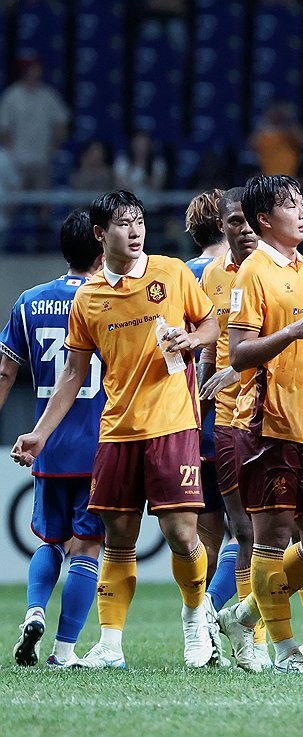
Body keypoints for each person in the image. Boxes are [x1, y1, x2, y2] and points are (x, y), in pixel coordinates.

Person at [11, 190, 220, 669]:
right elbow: (72, 374)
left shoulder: (171, 272)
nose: (135, 230)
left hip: (172, 423)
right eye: (124, 224)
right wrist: (41, 433)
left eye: (139, 221)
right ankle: (109, 644)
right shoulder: (89, 298)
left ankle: (195, 621)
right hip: (117, 430)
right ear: (101, 235)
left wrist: (191, 339)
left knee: (181, 531)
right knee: (117, 536)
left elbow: (210, 322)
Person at [213, 174, 303, 674]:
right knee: (270, 538)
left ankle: (244, 615)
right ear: (265, 219)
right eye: (292, 206)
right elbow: (239, 354)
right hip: (265, 424)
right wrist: (291, 330)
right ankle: (288, 650)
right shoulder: (252, 273)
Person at [1, 211, 104, 667]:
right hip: (101, 442)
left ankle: (35, 611)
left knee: (50, 542)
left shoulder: (29, 300)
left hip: (47, 442)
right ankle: (64, 650)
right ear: (102, 247)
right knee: (87, 548)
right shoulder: (111, 300)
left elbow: (6, 370)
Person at [196, 187, 267, 671]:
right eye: (233, 222)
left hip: (275, 415)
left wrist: (239, 371)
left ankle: (228, 616)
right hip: (222, 420)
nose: (241, 230)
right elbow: (207, 345)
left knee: (297, 532)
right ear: (221, 226)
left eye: (247, 220)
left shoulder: (277, 270)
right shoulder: (211, 277)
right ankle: (243, 635)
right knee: (235, 528)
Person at [183, 190, 236, 611]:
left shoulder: (180, 274)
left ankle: (198, 621)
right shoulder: (246, 271)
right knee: (253, 534)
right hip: (241, 418)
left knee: (204, 538)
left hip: (192, 424)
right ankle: (228, 622)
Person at [0, 53, 69, 190]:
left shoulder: (48, 95)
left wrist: (53, 148)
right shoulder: (11, 96)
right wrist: (10, 154)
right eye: (32, 68)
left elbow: (62, 122)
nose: (36, 71)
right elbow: (4, 128)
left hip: (42, 160)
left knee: (44, 202)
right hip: (17, 161)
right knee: (14, 201)